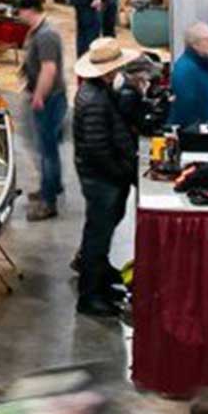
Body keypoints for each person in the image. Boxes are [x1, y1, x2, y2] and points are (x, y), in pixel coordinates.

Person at [71, 37, 140, 318]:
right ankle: (90, 296)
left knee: (101, 231)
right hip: (102, 180)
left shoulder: (96, 92)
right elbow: (98, 149)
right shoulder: (96, 100)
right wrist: (123, 172)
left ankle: (99, 281)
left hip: (101, 178)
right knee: (97, 236)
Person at [16, 0, 66, 221]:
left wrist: (39, 95)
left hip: (50, 99)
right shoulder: (38, 32)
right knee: (47, 147)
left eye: (20, 11)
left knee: (47, 151)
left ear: (29, 10)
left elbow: (49, 69)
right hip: (48, 96)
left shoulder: (46, 36)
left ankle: (48, 202)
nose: (18, 16)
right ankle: (51, 186)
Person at [169, 22, 208, 127]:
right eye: (207, 40)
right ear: (194, 44)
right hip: (196, 134)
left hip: (207, 129)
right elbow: (185, 105)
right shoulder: (186, 69)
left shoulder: (204, 65)